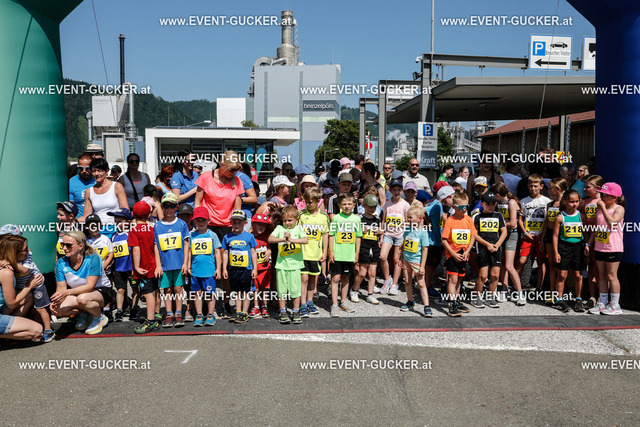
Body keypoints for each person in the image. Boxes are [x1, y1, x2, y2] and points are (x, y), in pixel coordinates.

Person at [195, 153, 244, 316]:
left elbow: (237, 209)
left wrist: (236, 229)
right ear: (222, 165)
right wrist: (197, 224)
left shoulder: (237, 181)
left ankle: (226, 303)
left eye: (236, 170)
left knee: (226, 269)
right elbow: (198, 202)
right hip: (207, 226)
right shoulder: (205, 177)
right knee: (204, 265)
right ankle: (203, 303)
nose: (234, 173)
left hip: (227, 227)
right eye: (232, 170)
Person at [50, 231, 113, 335]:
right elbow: (61, 289)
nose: (64, 248)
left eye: (68, 245)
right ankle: (86, 313)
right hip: (77, 293)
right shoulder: (61, 262)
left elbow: (90, 286)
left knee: (82, 299)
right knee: (58, 309)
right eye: (62, 244)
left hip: (101, 291)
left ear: (80, 246)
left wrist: (66, 293)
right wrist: (57, 300)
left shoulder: (93, 258)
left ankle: (99, 317)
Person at [587, 182, 625, 315]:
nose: (602, 197)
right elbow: (596, 229)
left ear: (614, 197)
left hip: (613, 247)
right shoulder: (599, 211)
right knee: (601, 275)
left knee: (611, 275)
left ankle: (615, 305)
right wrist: (589, 243)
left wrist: (603, 207)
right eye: (602, 194)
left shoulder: (619, 208)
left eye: (605, 195)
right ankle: (602, 302)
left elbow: (612, 222)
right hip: (600, 247)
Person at [154, 193, 190, 328]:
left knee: (178, 288)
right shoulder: (157, 226)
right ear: (162, 207)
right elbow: (156, 246)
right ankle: (169, 313)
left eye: (172, 206)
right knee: (167, 290)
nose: (169, 209)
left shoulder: (181, 224)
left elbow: (186, 244)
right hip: (165, 264)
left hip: (179, 263)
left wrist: (186, 263)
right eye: (166, 206)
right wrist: (158, 265)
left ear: (176, 207)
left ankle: (178, 312)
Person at [0, 235, 44, 340]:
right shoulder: (6, 272)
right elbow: (12, 304)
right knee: (37, 330)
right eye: (25, 249)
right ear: (14, 253)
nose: (29, 251)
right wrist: (29, 286)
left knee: (28, 297)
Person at [269, 206, 308, 324]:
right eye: (285, 220)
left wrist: (292, 240)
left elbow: (305, 240)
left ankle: (296, 312)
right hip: (281, 265)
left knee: (295, 291)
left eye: (290, 220)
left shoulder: (299, 229)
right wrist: (282, 239)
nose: (287, 223)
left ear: (296, 219)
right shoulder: (280, 228)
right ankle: (283, 312)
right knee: (281, 291)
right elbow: (270, 239)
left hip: (295, 265)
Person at [552, 189, 588, 313]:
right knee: (562, 274)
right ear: (565, 201)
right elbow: (555, 236)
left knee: (578, 275)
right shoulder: (560, 217)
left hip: (578, 247)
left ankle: (578, 299)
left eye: (577, 201)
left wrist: (587, 246)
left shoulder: (581, 216)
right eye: (571, 202)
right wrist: (556, 252)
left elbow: (586, 233)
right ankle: (559, 299)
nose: (574, 204)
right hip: (564, 247)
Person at [441, 192, 476, 317]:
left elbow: (473, 236)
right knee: (453, 279)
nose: (464, 209)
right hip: (453, 254)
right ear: (454, 207)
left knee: (460, 279)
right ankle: (451, 304)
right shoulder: (450, 221)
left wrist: (467, 251)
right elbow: (444, 240)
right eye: (461, 207)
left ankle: (456, 300)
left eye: (466, 206)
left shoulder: (468, 219)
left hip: (464, 254)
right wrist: (452, 253)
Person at [327, 193, 362, 317]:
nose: (347, 206)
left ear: (354, 205)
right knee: (335, 278)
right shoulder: (336, 218)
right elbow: (331, 235)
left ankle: (343, 301)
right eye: (344, 204)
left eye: (349, 204)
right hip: (337, 254)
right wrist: (330, 251)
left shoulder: (356, 219)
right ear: (339, 205)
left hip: (349, 254)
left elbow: (358, 236)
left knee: (346, 278)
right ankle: (334, 304)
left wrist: (357, 253)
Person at [472, 192, 508, 308]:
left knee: (495, 275)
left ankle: (491, 296)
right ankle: (476, 296)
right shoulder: (477, 216)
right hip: (482, 247)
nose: (491, 206)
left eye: (493, 204)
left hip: (496, 247)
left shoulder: (498, 216)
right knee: (483, 276)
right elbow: (474, 234)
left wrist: (497, 245)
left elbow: (504, 231)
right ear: (482, 203)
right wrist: (487, 244)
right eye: (488, 204)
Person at [130, 202, 162, 334]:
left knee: (148, 294)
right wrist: (158, 264)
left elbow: (136, 249)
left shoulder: (134, 230)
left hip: (144, 268)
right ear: (149, 215)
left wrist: (137, 267)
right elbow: (156, 246)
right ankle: (155, 314)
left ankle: (150, 321)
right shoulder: (152, 228)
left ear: (133, 214)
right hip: (153, 265)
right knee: (154, 291)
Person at [222, 210, 258, 323]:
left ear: (245, 223)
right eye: (234, 222)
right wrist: (224, 268)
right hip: (234, 269)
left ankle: (244, 312)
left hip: (246, 269)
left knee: (246, 291)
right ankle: (238, 311)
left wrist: (255, 268)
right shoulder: (227, 237)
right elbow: (225, 253)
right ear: (231, 223)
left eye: (239, 222)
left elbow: (253, 252)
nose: (236, 225)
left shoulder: (249, 236)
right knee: (237, 292)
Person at [517, 174, 551, 291]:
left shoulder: (547, 201)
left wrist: (543, 234)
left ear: (541, 186)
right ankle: (516, 285)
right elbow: (520, 219)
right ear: (527, 186)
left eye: (535, 186)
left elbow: (547, 220)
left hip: (541, 236)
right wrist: (525, 232)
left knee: (541, 261)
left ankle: (539, 287)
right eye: (531, 186)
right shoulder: (523, 201)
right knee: (521, 260)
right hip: (527, 236)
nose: (533, 188)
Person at [189, 207, 222, 327]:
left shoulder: (212, 235)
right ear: (194, 221)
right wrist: (188, 266)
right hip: (195, 271)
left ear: (208, 221)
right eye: (198, 220)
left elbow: (218, 252)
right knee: (197, 293)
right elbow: (189, 252)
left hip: (209, 271)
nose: (200, 222)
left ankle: (210, 314)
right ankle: (199, 314)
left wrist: (218, 268)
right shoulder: (191, 235)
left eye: (203, 220)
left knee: (209, 294)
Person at [492, 182, 524, 306]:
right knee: (503, 265)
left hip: (511, 234)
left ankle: (520, 293)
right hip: (502, 234)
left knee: (509, 266)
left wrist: (499, 224)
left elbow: (513, 223)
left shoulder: (511, 202)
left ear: (498, 194)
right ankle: (504, 290)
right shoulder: (499, 203)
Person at [298, 188, 329, 316]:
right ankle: (302, 304)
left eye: (310, 202)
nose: (308, 204)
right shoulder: (301, 215)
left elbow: (325, 234)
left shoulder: (323, 217)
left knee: (312, 279)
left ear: (317, 201)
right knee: (303, 279)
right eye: (306, 202)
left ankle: (310, 302)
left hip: (316, 254)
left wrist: (325, 252)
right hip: (303, 253)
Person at [79, 158, 128, 239]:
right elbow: (86, 216)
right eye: (94, 171)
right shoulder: (89, 191)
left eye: (99, 171)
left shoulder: (117, 186)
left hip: (115, 229)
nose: (96, 174)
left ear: (106, 171)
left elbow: (125, 211)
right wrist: (72, 221)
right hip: (97, 231)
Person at [399, 206, 432, 316]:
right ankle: (410, 301)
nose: (408, 219)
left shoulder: (423, 232)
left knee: (421, 284)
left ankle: (427, 306)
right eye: (407, 217)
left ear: (419, 218)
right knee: (407, 281)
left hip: (417, 261)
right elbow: (404, 244)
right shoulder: (408, 229)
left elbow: (425, 249)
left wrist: (422, 266)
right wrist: (401, 258)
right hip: (406, 259)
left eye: (410, 217)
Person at [380, 179, 410, 295]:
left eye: (398, 190)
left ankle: (395, 284)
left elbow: (407, 221)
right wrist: (381, 236)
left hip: (400, 235)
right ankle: (387, 279)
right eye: (394, 190)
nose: (396, 192)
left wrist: (405, 237)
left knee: (396, 259)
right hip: (388, 234)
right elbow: (383, 220)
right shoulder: (387, 204)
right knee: (383, 256)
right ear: (390, 191)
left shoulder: (405, 204)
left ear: (402, 191)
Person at [540, 178, 567, 305]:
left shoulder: (566, 204)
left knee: (560, 267)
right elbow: (546, 222)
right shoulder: (550, 204)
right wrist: (542, 239)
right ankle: (552, 293)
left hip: (562, 236)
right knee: (551, 266)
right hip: (549, 236)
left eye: (550, 188)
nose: (548, 190)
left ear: (558, 189)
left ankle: (561, 293)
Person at [108, 208, 137, 322]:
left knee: (135, 289)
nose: (117, 224)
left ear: (128, 222)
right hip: (119, 268)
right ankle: (119, 311)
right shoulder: (114, 236)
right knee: (120, 289)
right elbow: (113, 253)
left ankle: (134, 308)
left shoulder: (131, 234)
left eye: (120, 221)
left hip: (131, 267)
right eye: (116, 221)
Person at [352, 194, 382, 304]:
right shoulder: (359, 219)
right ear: (364, 205)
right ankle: (354, 290)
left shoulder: (377, 219)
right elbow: (354, 233)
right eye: (370, 206)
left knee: (373, 273)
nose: (372, 209)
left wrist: (380, 232)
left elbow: (381, 231)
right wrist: (360, 231)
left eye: (374, 207)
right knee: (362, 273)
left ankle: (370, 294)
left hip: (374, 247)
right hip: (363, 247)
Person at [582, 175, 604, 309]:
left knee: (600, 269)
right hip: (588, 237)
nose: (584, 189)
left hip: (600, 239)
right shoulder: (584, 202)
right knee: (591, 268)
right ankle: (592, 297)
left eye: (588, 187)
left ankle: (602, 296)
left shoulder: (603, 202)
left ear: (598, 188)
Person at [249, 213, 272, 319]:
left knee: (265, 288)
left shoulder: (266, 237)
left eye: (263, 225)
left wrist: (269, 251)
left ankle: (264, 306)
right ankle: (256, 306)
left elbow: (269, 247)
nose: (261, 227)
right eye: (258, 224)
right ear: (252, 224)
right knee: (255, 289)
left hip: (264, 268)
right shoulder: (249, 237)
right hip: (254, 269)